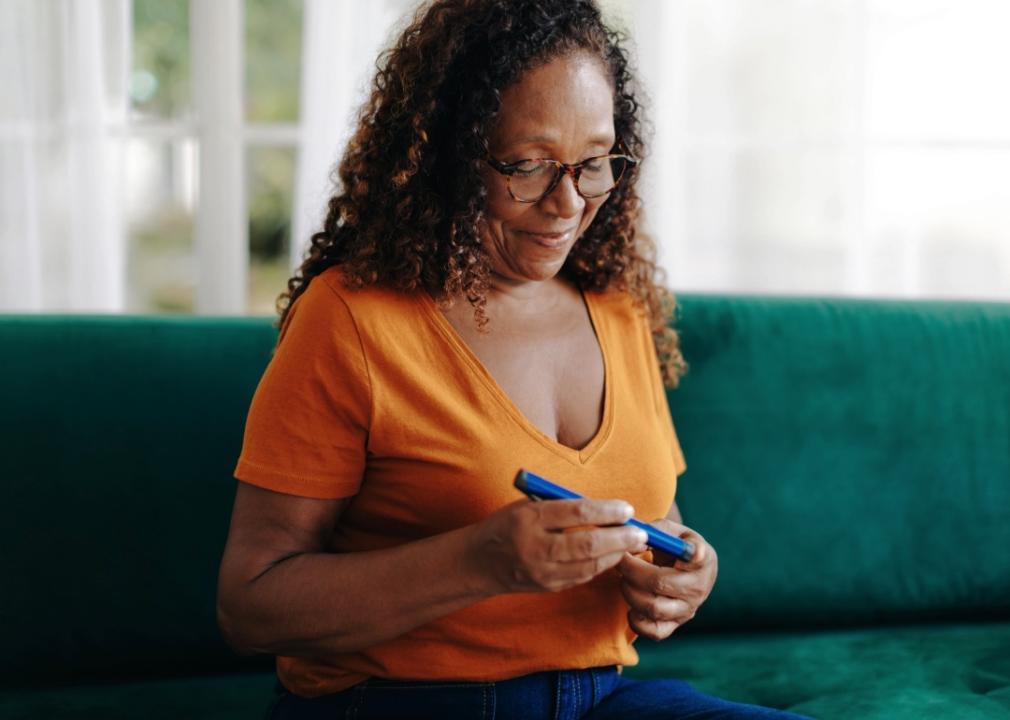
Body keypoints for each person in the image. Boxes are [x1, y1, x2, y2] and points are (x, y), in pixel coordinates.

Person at [217, 1, 810, 718]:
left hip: (599, 700)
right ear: (447, 153)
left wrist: (678, 569)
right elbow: (250, 605)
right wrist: (478, 562)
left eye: (594, 164)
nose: (568, 203)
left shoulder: (615, 306)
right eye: (526, 166)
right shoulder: (350, 319)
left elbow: (654, 514)